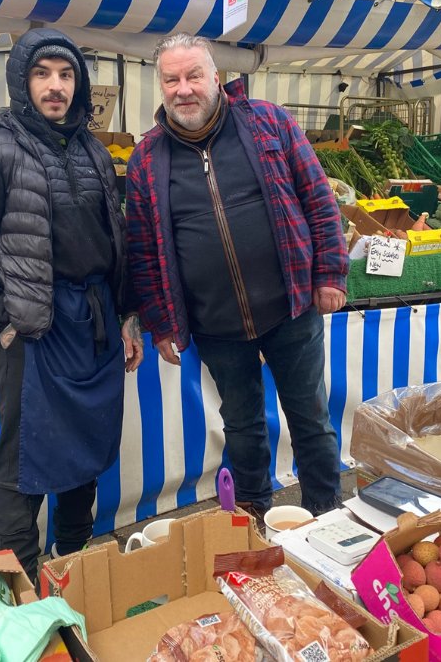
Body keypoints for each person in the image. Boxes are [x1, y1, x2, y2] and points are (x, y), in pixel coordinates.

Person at [0, 28, 143, 582]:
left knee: (87, 449)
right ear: (21, 80)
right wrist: (4, 324)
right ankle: (17, 582)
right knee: (22, 462)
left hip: (96, 323)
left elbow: (117, 240)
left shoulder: (94, 152)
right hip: (35, 330)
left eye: (66, 74)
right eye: (42, 73)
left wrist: (127, 316)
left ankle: (72, 565)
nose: (55, 87)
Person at [125, 33, 349, 520]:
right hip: (215, 324)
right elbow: (142, 250)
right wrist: (161, 323)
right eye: (172, 79)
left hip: (291, 306)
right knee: (242, 425)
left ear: (216, 78)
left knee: (309, 418)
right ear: (161, 87)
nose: (184, 89)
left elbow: (319, 200)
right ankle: (253, 517)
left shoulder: (269, 122)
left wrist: (330, 271)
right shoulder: (147, 159)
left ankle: (326, 514)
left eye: (193, 76)